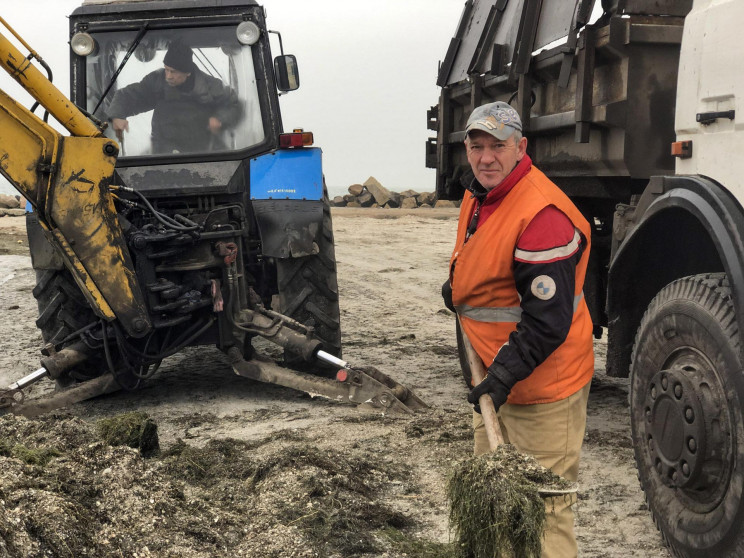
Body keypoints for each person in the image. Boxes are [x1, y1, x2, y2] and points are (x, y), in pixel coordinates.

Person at [443, 101, 594, 558]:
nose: (486, 157)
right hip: (495, 382)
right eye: (476, 146)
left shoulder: (542, 215)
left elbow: (547, 323)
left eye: (498, 146)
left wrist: (502, 377)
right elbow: (487, 261)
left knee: (542, 517)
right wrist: (458, 287)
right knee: (494, 508)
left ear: (521, 147)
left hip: (544, 388)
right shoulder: (480, 195)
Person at [107, 41, 242, 154]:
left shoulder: (212, 87)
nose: (168, 76)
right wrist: (118, 115)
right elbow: (129, 95)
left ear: (187, 72)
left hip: (201, 155)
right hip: (163, 155)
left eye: (173, 71)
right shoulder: (157, 82)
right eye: (166, 69)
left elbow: (233, 105)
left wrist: (220, 119)